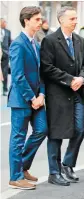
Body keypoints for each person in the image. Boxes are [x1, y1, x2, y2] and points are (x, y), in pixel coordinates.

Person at [40, 6, 84, 186]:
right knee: (56, 135)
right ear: (61, 20)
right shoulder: (49, 41)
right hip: (58, 94)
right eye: (72, 19)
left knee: (80, 129)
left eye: (76, 18)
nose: (75, 21)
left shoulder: (80, 40)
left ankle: (67, 165)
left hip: (78, 92)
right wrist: (70, 79)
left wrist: (82, 78)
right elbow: (47, 68)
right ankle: (53, 172)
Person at [8, 6, 47, 190]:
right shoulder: (18, 44)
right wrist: (32, 98)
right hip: (22, 99)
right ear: (27, 20)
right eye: (37, 19)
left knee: (42, 130)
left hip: (37, 99)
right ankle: (15, 177)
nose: (40, 22)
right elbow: (17, 76)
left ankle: (22, 166)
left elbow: (41, 74)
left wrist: (42, 94)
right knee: (18, 138)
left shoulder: (36, 44)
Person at [1, 18, 12, 96]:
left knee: (5, 72)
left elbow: (9, 43)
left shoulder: (8, 32)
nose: (5, 23)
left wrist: (8, 52)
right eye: (4, 22)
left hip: (5, 55)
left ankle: (5, 89)